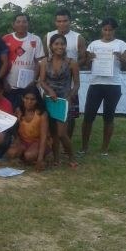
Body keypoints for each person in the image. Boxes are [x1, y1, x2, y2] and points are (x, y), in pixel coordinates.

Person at [81, 18, 126, 156]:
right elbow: (87, 65)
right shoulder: (93, 44)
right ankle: (84, 147)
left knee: (108, 117)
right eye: (105, 29)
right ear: (101, 29)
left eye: (110, 30)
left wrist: (120, 57)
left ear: (114, 30)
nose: (107, 32)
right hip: (95, 84)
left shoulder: (121, 45)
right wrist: (89, 59)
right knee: (88, 116)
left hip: (113, 85)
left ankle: (104, 149)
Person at [44, 8, 87, 139]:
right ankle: (52, 141)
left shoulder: (78, 38)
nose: (62, 24)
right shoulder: (48, 36)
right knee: (50, 114)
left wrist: (69, 68)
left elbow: (84, 58)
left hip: (69, 84)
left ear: (70, 21)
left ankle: (67, 140)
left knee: (70, 115)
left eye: (65, 21)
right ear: (55, 22)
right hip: (51, 84)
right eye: (59, 21)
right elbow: (46, 59)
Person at [38, 34, 79, 167]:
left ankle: (71, 157)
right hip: (49, 99)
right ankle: (56, 159)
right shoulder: (45, 62)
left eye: (62, 44)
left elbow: (77, 84)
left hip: (63, 101)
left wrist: (70, 96)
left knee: (62, 133)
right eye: (56, 44)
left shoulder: (72, 62)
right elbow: (42, 81)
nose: (59, 46)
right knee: (53, 132)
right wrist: (50, 91)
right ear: (51, 46)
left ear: (66, 46)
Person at [2, 13, 44, 110]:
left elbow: (39, 62)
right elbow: (1, 62)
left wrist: (34, 80)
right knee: (10, 112)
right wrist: (4, 81)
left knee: (26, 113)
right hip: (9, 85)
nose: (21, 24)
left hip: (28, 85)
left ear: (28, 24)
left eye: (24, 22)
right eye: (18, 22)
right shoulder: (6, 38)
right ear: (13, 24)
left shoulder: (35, 39)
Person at [6, 86, 51, 171]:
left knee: (29, 155)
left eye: (32, 99)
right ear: (22, 98)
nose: (29, 102)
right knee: (11, 153)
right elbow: (13, 129)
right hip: (24, 141)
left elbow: (44, 137)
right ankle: (27, 158)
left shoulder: (42, 114)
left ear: (37, 100)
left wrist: (40, 159)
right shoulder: (19, 110)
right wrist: (17, 120)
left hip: (38, 142)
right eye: (26, 98)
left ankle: (40, 157)